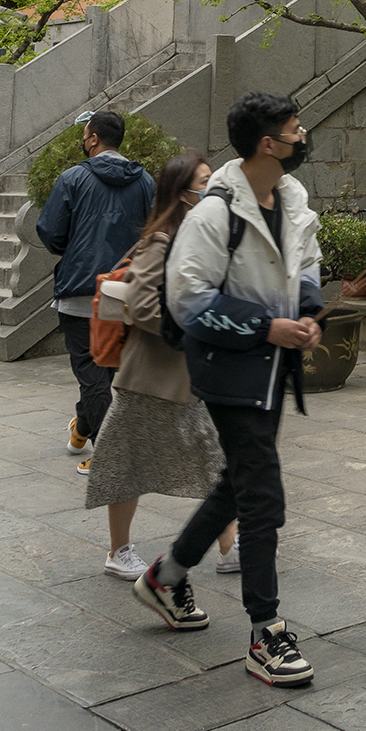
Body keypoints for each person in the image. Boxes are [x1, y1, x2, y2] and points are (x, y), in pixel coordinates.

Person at [132, 92, 322, 688]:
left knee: (238, 484)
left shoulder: (291, 199)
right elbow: (188, 301)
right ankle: (266, 631)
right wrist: (268, 326)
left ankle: (165, 576)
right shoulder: (214, 215)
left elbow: (308, 262)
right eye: (296, 129)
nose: (303, 135)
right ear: (269, 144)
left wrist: (310, 313)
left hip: (274, 367)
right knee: (262, 493)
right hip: (230, 368)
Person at [84, 152, 238, 581]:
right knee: (127, 465)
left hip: (182, 377)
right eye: (204, 183)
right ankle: (119, 551)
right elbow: (142, 302)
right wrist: (191, 328)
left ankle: (229, 546)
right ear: (182, 192)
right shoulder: (161, 241)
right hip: (152, 377)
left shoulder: (197, 237)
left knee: (212, 457)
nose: (212, 190)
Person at [36, 110, 155, 473]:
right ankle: (81, 428)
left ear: (92, 139)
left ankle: (111, 455)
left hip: (81, 290)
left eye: (84, 135)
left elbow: (51, 232)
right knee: (109, 371)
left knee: (91, 373)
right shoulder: (146, 182)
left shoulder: (72, 178)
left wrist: (77, 247)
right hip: (126, 290)